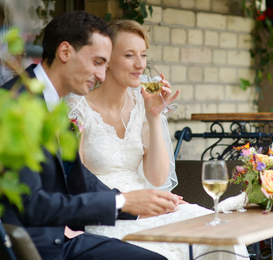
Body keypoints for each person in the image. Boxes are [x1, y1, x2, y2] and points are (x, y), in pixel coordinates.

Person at [0, 11, 180, 260]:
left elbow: (77, 174)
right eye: (97, 62)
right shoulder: (17, 105)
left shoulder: (49, 101)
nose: (102, 75)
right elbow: (31, 203)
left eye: (105, 65)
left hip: (57, 238)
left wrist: (131, 203)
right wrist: (119, 204)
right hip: (33, 248)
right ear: (65, 52)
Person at [65, 20, 249, 260]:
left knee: (223, 236)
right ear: (106, 60)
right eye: (129, 55)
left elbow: (157, 178)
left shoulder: (142, 102)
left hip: (152, 205)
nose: (140, 64)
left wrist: (154, 116)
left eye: (143, 55)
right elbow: (74, 182)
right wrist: (134, 208)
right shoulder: (76, 107)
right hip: (109, 214)